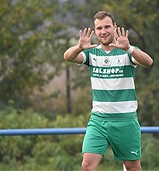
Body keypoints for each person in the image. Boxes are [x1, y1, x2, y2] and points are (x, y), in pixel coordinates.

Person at [63, 11, 153, 171]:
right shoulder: (92, 53)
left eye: (107, 27)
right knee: (87, 165)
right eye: (99, 28)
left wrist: (130, 48)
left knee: (132, 167)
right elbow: (68, 56)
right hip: (99, 120)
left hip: (125, 121)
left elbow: (148, 61)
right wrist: (79, 47)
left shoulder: (126, 51)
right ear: (95, 31)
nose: (103, 31)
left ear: (115, 27)